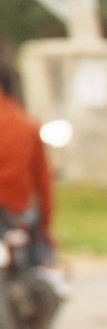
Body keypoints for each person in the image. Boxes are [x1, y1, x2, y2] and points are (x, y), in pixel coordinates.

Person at [0, 56, 56, 258]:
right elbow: (43, 183)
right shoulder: (27, 124)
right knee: (40, 256)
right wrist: (46, 230)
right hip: (16, 212)